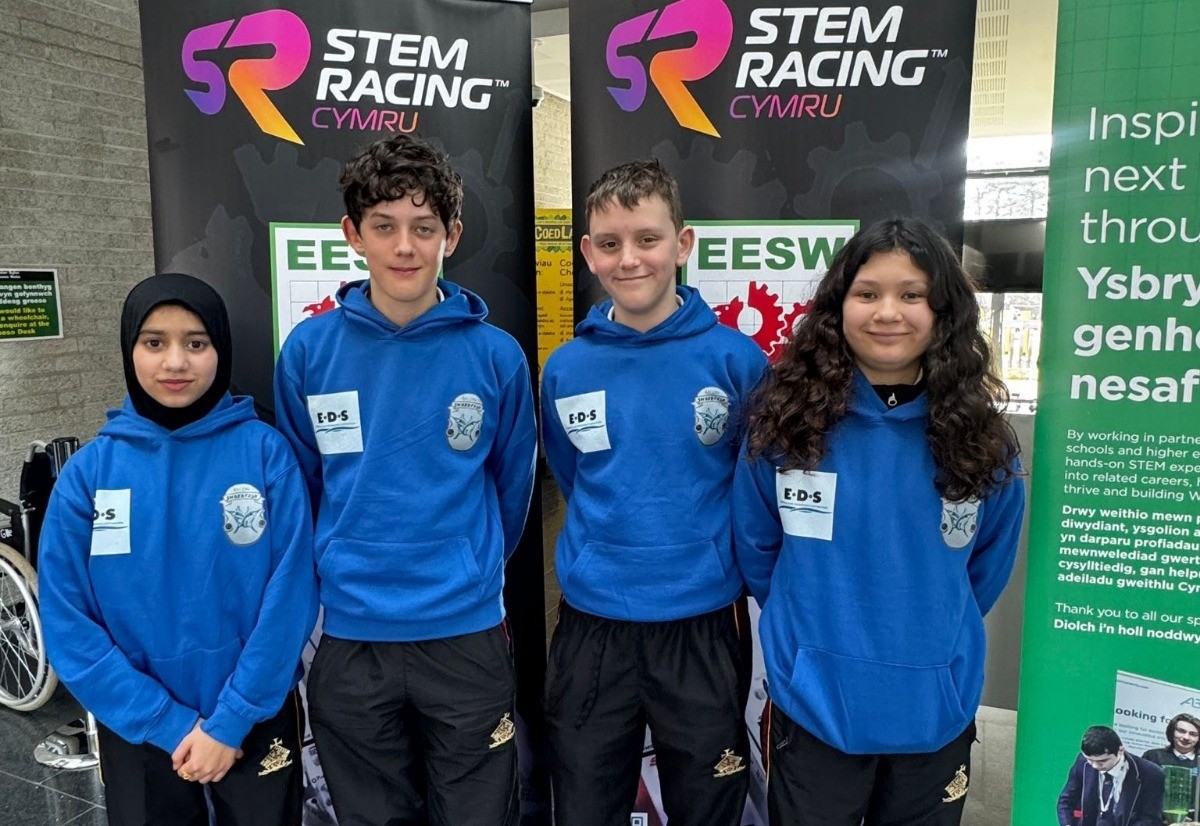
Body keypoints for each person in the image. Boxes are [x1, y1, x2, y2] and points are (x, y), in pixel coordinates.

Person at [273, 133, 537, 826]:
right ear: (352, 234)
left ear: (452, 234)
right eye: (384, 226)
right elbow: (302, 489)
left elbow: (511, 492)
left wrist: (465, 566)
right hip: (351, 637)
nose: (404, 247)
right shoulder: (308, 351)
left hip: (466, 632)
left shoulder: (497, 356)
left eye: (423, 228)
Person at [734, 217, 1026, 825]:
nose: (887, 312)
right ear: (838, 308)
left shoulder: (983, 441)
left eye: (911, 294)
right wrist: (810, 642)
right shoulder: (786, 425)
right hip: (814, 707)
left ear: (942, 311)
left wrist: (929, 644)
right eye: (867, 293)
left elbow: (984, 570)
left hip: (934, 710)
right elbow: (759, 549)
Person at [39, 273, 318, 826]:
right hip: (138, 726)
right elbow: (68, 620)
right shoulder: (90, 475)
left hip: (254, 717)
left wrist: (231, 721)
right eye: (154, 342)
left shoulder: (266, 455)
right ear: (130, 350)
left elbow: (290, 598)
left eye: (196, 342)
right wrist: (168, 723)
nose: (175, 362)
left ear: (221, 349)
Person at [540, 158, 767, 825]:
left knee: (708, 809)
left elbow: (754, 490)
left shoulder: (738, 362)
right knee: (584, 807)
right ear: (589, 253)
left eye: (648, 238)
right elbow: (573, 474)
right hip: (593, 625)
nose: (630, 259)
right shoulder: (566, 367)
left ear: (683, 243)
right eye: (610, 244)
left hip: (703, 624)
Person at [1059, 726, 1166, 826]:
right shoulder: (1083, 762)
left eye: (1102, 761)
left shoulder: (1151, 773)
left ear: (1120, 751)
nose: (1095, 766)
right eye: (1090, 760)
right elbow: (1066, 801)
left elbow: (1150, 820)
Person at [1143, 713, 1199, 823]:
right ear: (1172, 732)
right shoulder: (1153, 756)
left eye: (1193, 734)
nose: (1186, 737)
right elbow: (1142, 793)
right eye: (1181, 731)